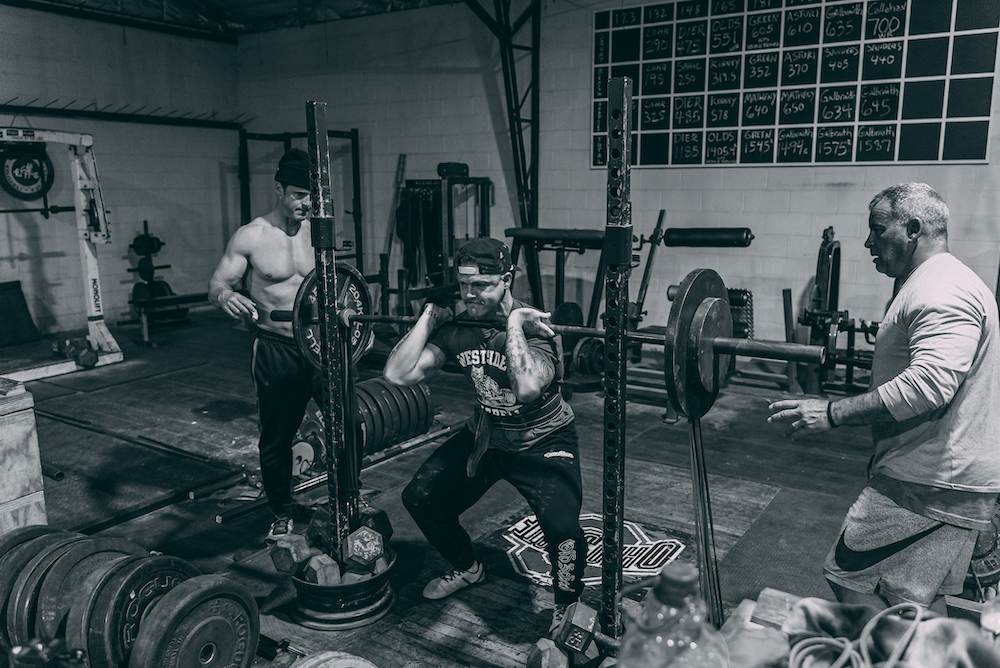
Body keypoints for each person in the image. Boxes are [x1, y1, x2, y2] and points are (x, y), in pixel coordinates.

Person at [768, 183, 1000, 611]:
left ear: (912, 229)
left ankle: (884, 648)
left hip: (931, 479)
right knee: (908, 598)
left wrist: (832, 412)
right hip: (936, 472)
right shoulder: (934, 282)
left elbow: (929, 384)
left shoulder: (941, 288)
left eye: (878, 229)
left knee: (849, 578)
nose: (868, 242)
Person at [384, 237, 587, 631]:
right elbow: (397, 374)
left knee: (563, 532)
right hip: (487, 436)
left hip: (543, 440)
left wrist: (513, 324)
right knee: (420, 498)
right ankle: (467, 567)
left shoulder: (535, 328)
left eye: (481, 285)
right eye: (463, 284)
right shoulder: (461, 327)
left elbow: (527, 389)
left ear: (507, 279)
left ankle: (567, 606)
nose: (469, 294)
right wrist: (429, 317)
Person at [208, 148, 320, 542]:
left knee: (350, 426)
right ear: (279, 190)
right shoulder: (252, 235)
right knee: (277, 438)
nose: (307, 203)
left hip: (321, 349)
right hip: (277, 348)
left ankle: (348, 496)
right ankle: (282, 511)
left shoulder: (319, 232)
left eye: (312, 196)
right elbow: (217, 282)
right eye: (299, 195)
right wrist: (225, 296)